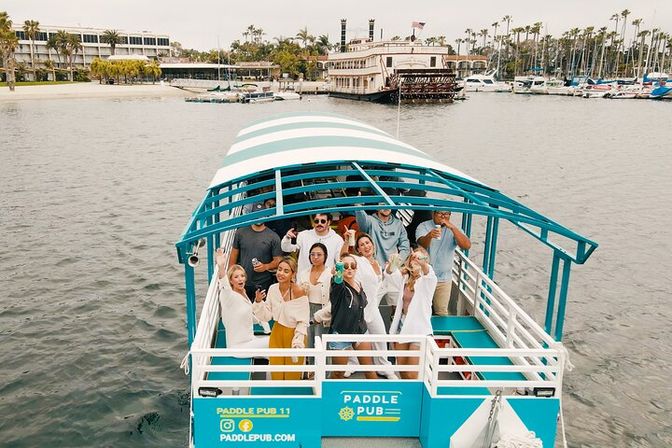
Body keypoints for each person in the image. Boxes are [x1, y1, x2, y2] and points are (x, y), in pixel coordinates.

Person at [341, 230, 399, 379]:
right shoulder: (357, 260)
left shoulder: (378, 265)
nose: (366, 246)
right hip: (358, 308)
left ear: (373, 245)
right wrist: (348, 241)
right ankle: (353, 364)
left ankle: (384, 368)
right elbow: (342, 257)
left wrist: (392, 269)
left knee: (380, 336)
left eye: (367, 243)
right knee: (357, 338)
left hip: (373, 308)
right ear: (358, 249)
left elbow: (385, 282)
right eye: (362, 244)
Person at [317, 254, 378, 379]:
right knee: (339, 372)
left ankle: (375, 395)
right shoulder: (338, 286)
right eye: (345, 266)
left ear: (356, 269)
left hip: (360, 330)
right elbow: (337, 281)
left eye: (353, 266)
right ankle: (329, 396)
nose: (349, 268)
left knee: (370, 370)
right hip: (341, 332)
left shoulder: (359, 283)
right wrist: (337, 272)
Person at [253, 257, 310, 380]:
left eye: (286, 271)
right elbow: (267, 316)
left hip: (295, 335)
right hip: (277, 332)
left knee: (292, 373)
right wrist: (258, 302)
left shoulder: (299, 291)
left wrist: (297, 342)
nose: (281, 273)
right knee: (276, 370)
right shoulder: (273, 289)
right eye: (279, 269)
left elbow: (303, 321)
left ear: (293, 274)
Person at [388, 248, 437, 379]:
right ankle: (406, 399)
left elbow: (429, 274)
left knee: (412, 374)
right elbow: (390, 275)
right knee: (403, 372)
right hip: (402, 327)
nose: (416, 260)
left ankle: (415, 398)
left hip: (419, 330)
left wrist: (421, 262)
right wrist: (393, 262)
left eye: (420, 258)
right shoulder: (404, 279)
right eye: (414, 257)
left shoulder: (428, 281)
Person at [415, 209, 471, 316]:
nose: (443, 216)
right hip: (423, 277)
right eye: (440, 213)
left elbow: (466, 246)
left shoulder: (454, 229)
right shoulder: (423, 226)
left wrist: (453, 228)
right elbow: (422, 244)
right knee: (421, 309)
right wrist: (430, 236)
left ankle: (438, 332)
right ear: (433, 214)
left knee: (441, 312)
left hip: (444, 279)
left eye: (447, 214)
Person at [215, 249, 270, 351]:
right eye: (236, 277)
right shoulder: (228, 296)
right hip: (238, 347)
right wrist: (221, 266)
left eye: (242, 276)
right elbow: (224, 283)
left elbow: (247, 313)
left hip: (249, 340)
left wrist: (257, 302)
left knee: (275, 343)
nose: (240, 279)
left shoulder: (243, 293)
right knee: (274, 342)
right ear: (231, 280)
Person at [229, 219, 283, 301]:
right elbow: (233, 255)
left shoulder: (274, 237)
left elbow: (278, 260)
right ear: (252, 216)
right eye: (257, 216)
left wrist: (265, 266)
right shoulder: (240, 233)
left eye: (261, 216)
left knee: (261, 309)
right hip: (242, 282)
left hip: (263, 283)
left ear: (266, 217)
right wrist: (229, 278)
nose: (259, 219)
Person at [297, 243, 332, 357]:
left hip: (323, 310)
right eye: (312, 254)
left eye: (319, 254)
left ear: (325, 256)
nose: (315, 257)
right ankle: (311, 372)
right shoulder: (304, 273)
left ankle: (324, 374)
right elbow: (297, 293)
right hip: (306, 310)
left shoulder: (330, 273)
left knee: (321, 345)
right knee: (308, 343)